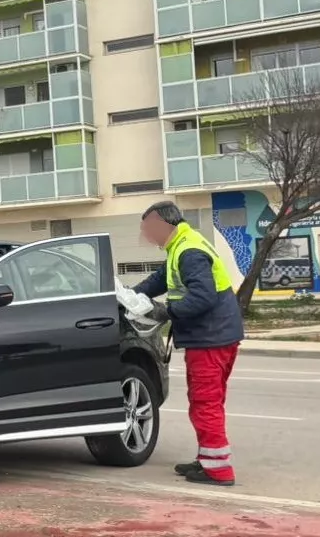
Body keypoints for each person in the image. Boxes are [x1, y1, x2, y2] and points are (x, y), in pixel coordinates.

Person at [133, 200, 245, 487]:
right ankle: (208, 460)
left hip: (210, 338)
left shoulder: (189, 251)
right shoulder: (181, 244)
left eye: (148, 229)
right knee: (208, 402)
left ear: (162, 225)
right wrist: (128, 295)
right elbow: (157, 281)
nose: (146, 236)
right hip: (216, 335)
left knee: (205, 403)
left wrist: (167, 311)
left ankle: (218, 471)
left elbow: (203, 296)